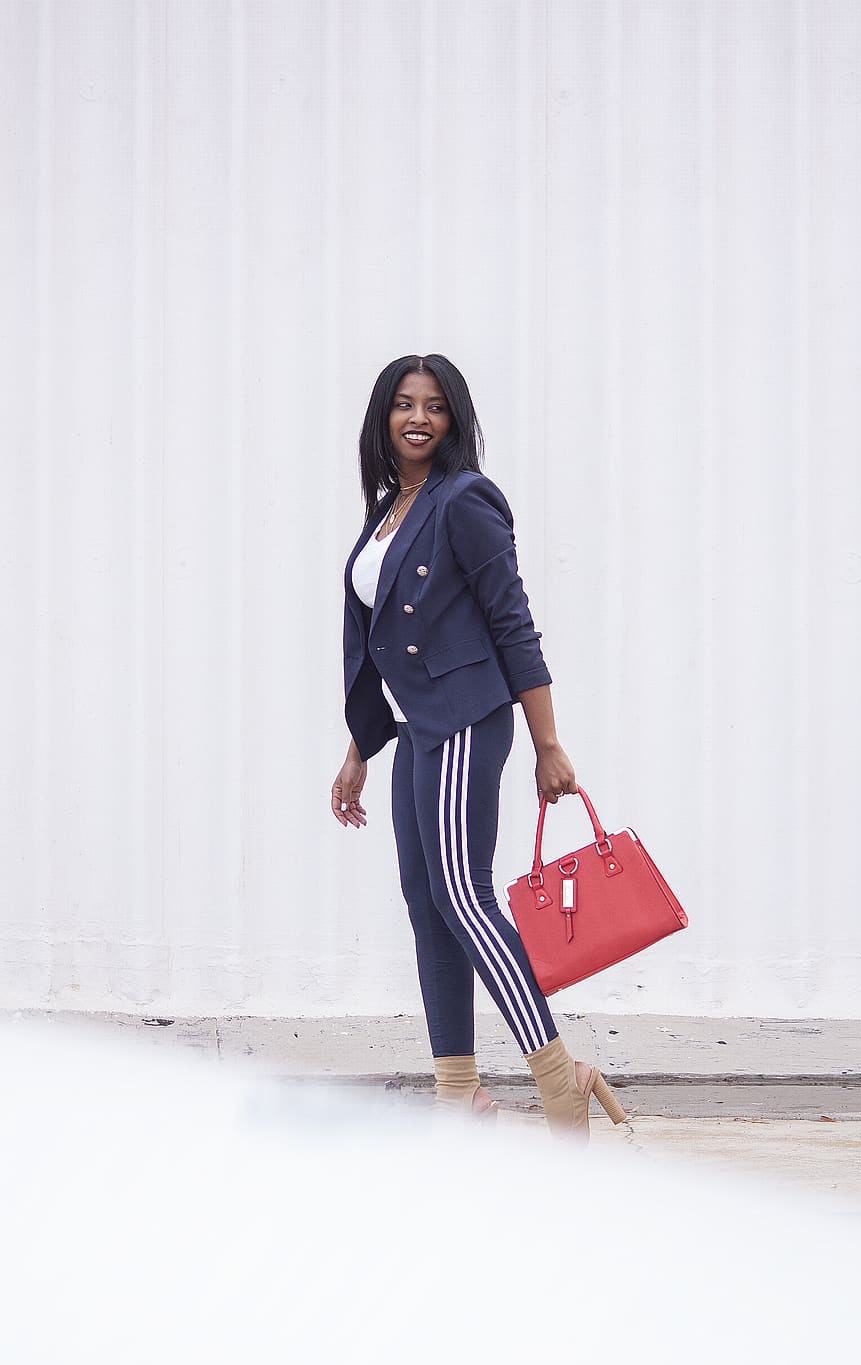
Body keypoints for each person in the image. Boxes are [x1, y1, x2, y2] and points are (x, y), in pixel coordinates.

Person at [331, 353, 625, 1140]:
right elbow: (378, 639)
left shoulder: (465, 500)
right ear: (382, 418)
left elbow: (512, 621)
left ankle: (562, 1078)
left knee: (464, 894)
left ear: (454, 419)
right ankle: (457, 1090)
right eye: (402, 403)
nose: (417, 416)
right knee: (429, 906)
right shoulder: (392, 506)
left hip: (466, 717)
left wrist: (548, 743)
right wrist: (362, 749)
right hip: (414, 728)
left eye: (434, 405)